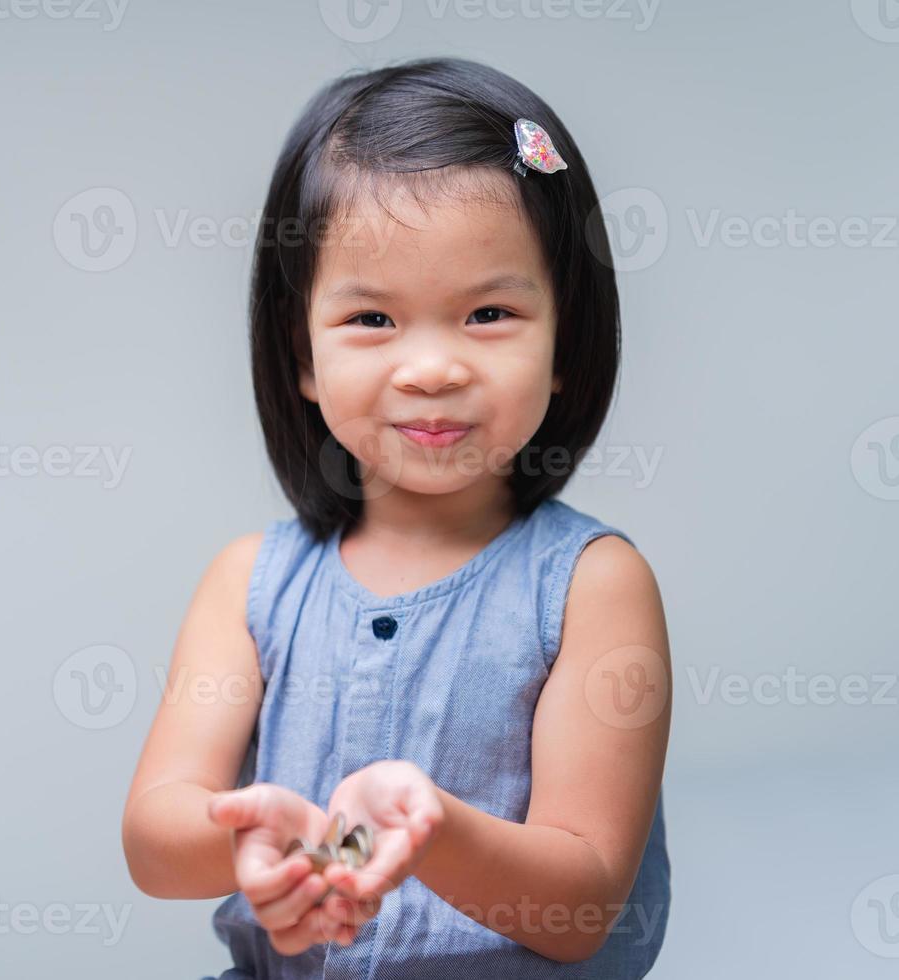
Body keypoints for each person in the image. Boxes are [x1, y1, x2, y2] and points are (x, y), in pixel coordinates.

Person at [120, 57, 672, 979]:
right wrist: (261, 845)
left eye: (487, 312)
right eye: (372, 319)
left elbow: (578, 905)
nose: (430, 369)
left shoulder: (592, 586)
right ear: (299, 350)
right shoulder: (249, 584)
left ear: (566, 341)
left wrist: (432, 829)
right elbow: (154, 838)